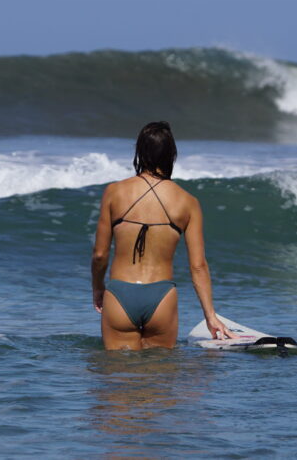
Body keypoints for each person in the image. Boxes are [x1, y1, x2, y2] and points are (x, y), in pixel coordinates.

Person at [91, 121, 234, 350]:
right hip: (162, 298)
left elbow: (99, 255)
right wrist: (211, 316)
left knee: (116, 379)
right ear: (171, 155)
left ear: (139, 151)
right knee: (160, 378)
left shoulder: (114, 192)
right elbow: (198, 266)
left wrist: (98, 288)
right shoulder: (188, 202)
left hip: (119, 294)